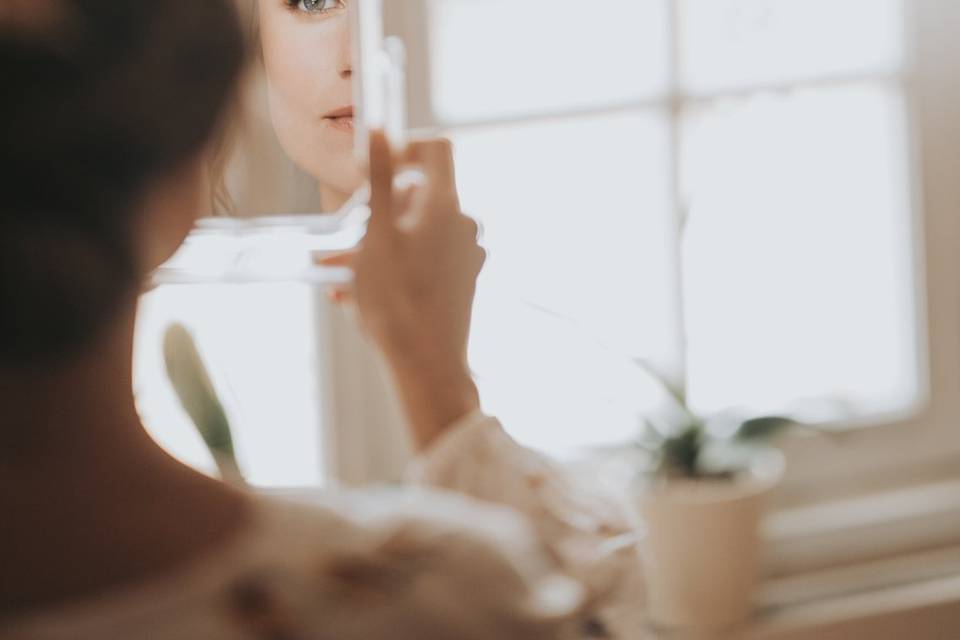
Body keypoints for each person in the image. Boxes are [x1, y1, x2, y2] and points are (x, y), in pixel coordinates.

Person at [0, 2, 644, 639]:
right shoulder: (431, 595)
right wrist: (438, 387)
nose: (359, 55)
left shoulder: (571, 324)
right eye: (313, 1)